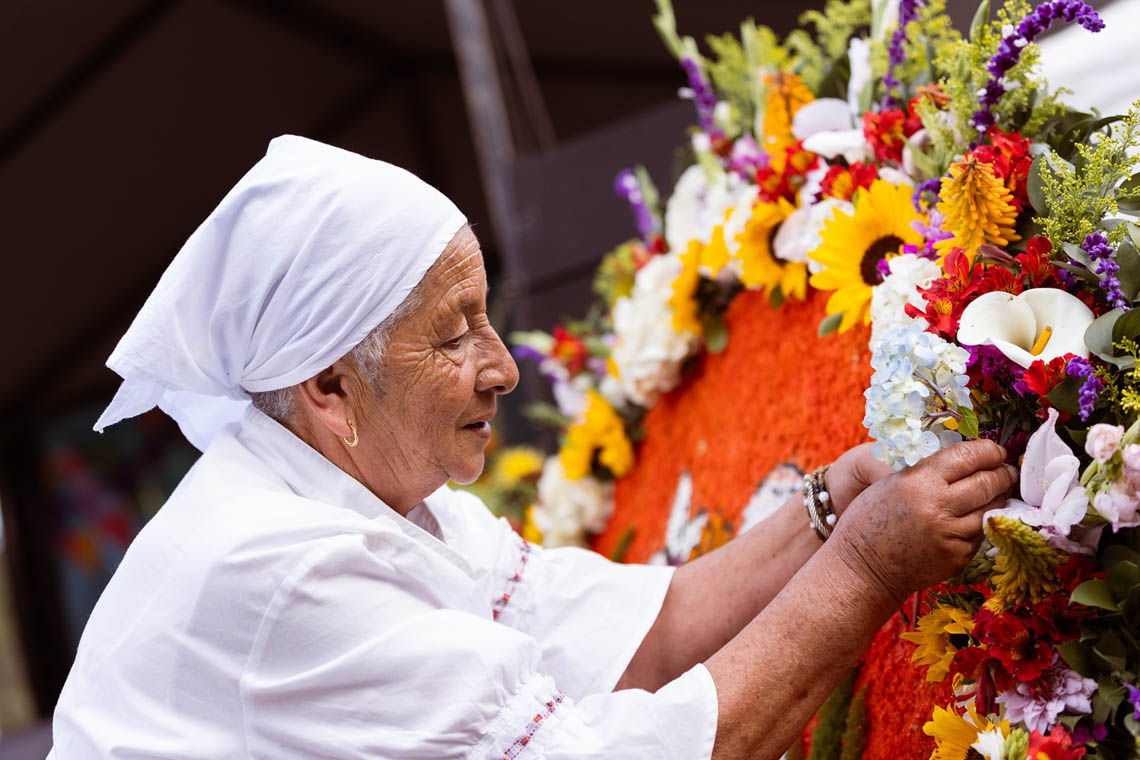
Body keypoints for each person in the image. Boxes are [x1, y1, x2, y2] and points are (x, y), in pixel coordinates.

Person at [48, 136, 1016, 760]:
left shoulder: (376, 494)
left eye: (487, 317)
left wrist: (823, 509)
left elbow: (642, 631)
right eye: (454, 332)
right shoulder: (276, 563)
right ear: (329, 386)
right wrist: (865, 565)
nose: (502, 367)